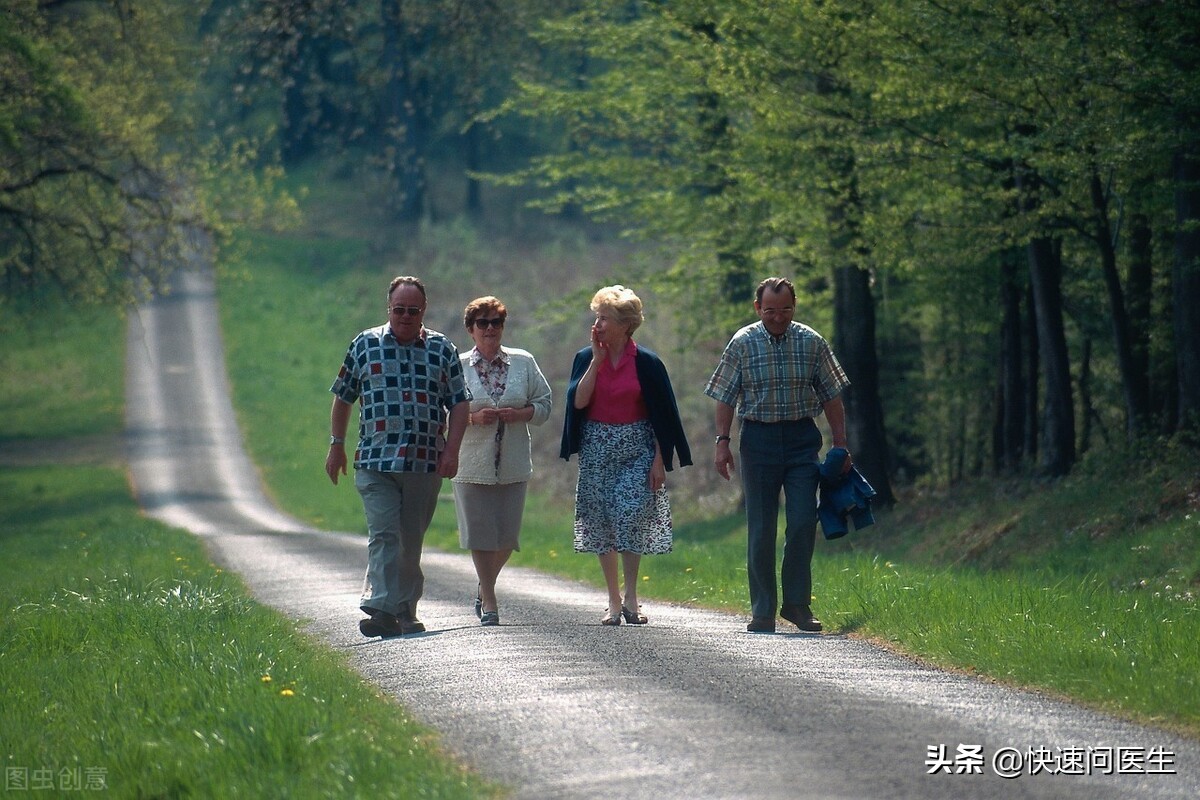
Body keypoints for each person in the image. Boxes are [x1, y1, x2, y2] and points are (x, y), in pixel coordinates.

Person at [326, 276, 471, 638]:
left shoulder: (441, 349)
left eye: (413, 310)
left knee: (410, 539)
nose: (405, 316)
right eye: (399, 310)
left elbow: (460, 403)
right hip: (376, 461)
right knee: (384, 534)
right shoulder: (365, 344)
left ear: (424, 311)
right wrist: (336, 444)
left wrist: (451, 451)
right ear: (388, 308)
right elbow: (343, 396)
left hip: (424, 462)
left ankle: (403, 611)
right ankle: (380, 606)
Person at [704, 277, 851, 634]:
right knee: (761, 527)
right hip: (757, 440)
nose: (778, 317)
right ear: (758, 308)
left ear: (795, 305)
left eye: (785, 309)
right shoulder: (742, 342)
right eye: (770, 310)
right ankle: (763, 609)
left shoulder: (812, 342)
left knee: (802, 521)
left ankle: (797, 605)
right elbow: (725, 395)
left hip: (802, 439)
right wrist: (722, 441)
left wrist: (840, 444)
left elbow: (832, 394)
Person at [560, 285, 692, 625]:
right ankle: (613, 601)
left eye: (605, 318)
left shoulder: (647, 363)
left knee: (631, 515)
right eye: (597, 318)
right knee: (603, 520)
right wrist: (596, 361)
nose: (598, 325)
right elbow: (578, 402)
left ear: (625, 324)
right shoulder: (585, 357)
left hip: (638, 448)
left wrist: (660, 460)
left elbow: (663, 415)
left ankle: (632, 596)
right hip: (597, 448)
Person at [453, 296, 553, 627]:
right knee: (480, 533)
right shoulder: (456, 364)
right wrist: (471, 418)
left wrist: (521, 413)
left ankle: (484, 586)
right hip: (470, 464)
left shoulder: (523, 363)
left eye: (496, 322)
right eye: (483, 323)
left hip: (512, 462)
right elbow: (440, 410)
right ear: (471, 329)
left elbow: (545, 403)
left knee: (507, 537)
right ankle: (492, 603)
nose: (490, 329)